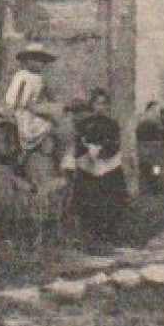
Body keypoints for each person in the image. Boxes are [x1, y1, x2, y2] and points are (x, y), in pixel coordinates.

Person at [0, 42, 72, 245]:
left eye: (41, 60)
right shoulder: (21, 77)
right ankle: (36, 148)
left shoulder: (41, 79)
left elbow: (48, 99)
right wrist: (33, 107)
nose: (37, 64)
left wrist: (51, 106)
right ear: (26, 60)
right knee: (49, 126)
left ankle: (65, 159)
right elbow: (13, 101)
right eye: (34, 59)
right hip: (26, 115)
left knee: (61, 121)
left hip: (37, 112)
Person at [68, 88, 127, 248]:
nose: (100, 107)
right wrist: (87, 150)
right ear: (92, 105)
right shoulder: (83, 124)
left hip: (107, 163)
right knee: (89, 199)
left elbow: (115, 144)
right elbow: (78, 143)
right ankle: (90, 236)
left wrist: (102, 151)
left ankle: (109, 236)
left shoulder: (112, 124)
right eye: (97, 103)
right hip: (89, 164)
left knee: (110, 199)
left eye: (103, 104)